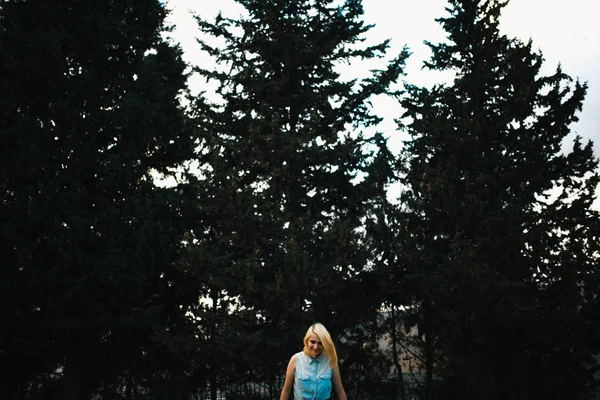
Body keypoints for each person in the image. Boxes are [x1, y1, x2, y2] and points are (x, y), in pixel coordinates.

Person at [280, 323, 348, 400]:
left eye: (320, 343)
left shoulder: (330, 361)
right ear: (306, 341)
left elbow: (340, 391)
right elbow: (286, 391)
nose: (315, 347)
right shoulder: (296, 359)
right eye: (312, 342)